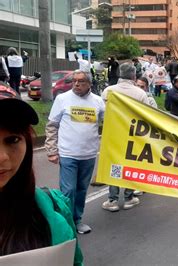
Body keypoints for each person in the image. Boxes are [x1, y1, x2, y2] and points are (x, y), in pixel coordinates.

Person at [0, 83, 83, 265]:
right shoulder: (62, 101)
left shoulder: (54, 206)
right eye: (75, 80)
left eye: (13, 140)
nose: (2, 157)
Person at [44, 70, 105, 235]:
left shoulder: (98, 102)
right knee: (68, 190)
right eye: (74, 81)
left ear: (90, 84)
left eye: (81, 81)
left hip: (89, 155)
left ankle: (77, 220)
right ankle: (66, 223)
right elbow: (52, 126)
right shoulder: (62, 99)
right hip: (68, 154)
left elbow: (109, 123)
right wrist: (51, 150)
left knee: (81, 190)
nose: (76, 84)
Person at [102, 63, 151, 212]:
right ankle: (129, 197)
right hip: (133, 135)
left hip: (113, 135)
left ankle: (113, 200)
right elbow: (147, 115)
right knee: (130, 165)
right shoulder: (140, 93)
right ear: (134, 76)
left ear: (118, 74)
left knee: (115, 166)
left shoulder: (108, 91)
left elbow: (103, 114)